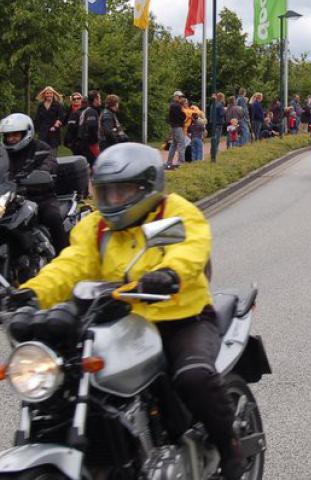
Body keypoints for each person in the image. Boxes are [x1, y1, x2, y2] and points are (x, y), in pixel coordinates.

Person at [13, 143, 245, 479]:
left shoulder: (173, 213)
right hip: (120, 321)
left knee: (193, 377)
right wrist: (30, 293)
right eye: (105, 192)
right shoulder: (97, 226)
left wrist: (169, 274)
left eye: (122, 191)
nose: (112, 200)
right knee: (69, 379)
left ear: (147, 188)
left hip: (180, 318)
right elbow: (70, 265)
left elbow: (189, 249)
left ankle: (230, 447)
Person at [0, 113, 68, 254]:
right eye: (7, 135)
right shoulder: (2, 153)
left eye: (15, 135)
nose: (10, 139)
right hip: (9, 199)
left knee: (52, 217)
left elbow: (49, 163)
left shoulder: (41, 148)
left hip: (40, 197)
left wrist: (40, 174)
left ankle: (65, 256)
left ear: (27, 133)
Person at [34, 86, 65, 153]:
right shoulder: (40, 106)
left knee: (52, 153)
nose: (49, 95)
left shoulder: (57, 105)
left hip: (53, 133)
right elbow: (37, 119)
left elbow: (61, 117)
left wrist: (55, 126)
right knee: (42, 153)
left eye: (51, 93)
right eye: (47, 93)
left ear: (53, 94)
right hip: (43, 133)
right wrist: (35, 130)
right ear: (44, 95)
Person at [78, 90, 101, 167]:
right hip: (90, 144)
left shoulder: (86, 110)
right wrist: (96, 141)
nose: (100, 100)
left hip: (84, 143)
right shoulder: (92, 112)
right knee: (96, 165)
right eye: (99, 98)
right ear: (95, 99)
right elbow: (91, 127)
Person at [167, 91, 187, 168]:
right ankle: (181, 162)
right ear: (176, 97)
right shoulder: (176, 106)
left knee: (174, 144)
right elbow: (182, 116)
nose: (181, 98)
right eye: (180, 97)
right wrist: (183, 115)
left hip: (174, 126)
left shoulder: (173, 105)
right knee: (181, 143)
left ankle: (169, 162)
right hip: (177, 127)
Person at [209, 92, 226, 162]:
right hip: (218, 123)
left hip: (213, 123)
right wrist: (225, 110)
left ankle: (212, 152)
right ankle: (214, 153)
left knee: (214, 138)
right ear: (221, 98)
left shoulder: (213, 104)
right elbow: (221, 114)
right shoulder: (220, 105)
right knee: (217, 139)